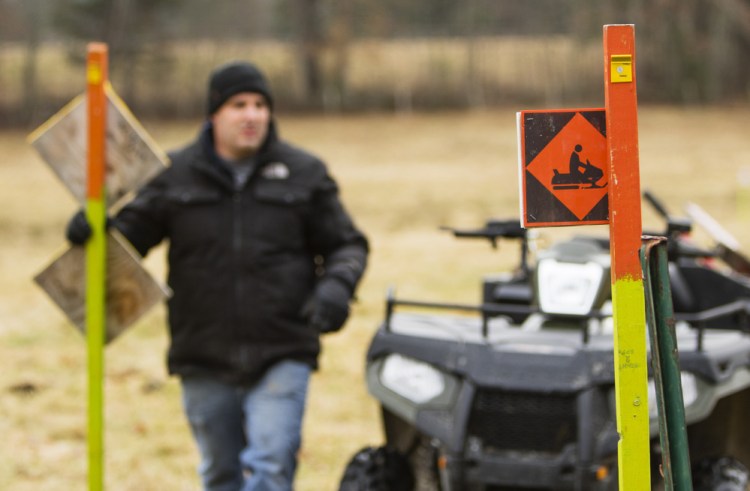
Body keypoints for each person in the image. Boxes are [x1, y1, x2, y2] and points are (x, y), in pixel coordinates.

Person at [66, 61, 369, 491]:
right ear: (213, 113)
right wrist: (91, 231)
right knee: (221, 475)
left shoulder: (305, 174)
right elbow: (128, 242)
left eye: (261, 105)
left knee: (271, 465)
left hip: (282, 348)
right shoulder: (173, 174)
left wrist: (338, 287)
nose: (252, 115)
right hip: (202, 352)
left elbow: (347, 244)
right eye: (239, 104)